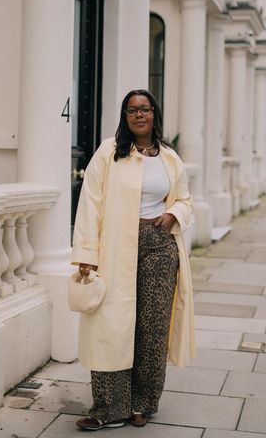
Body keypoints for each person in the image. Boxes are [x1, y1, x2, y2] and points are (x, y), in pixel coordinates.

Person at [71, 89, 195, 431]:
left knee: (152, 328)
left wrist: (172, 214)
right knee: (111, 325)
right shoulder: (110, 152)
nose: (139, 115)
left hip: (158, 246)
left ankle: (143, 403)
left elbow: (185, 198)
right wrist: (86, 253)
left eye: (145, 109)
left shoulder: (169, 157)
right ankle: (109, 407)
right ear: (125, 117)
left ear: (154, 114)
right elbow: (90, 202)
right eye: (131, 110)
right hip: (114, 246)